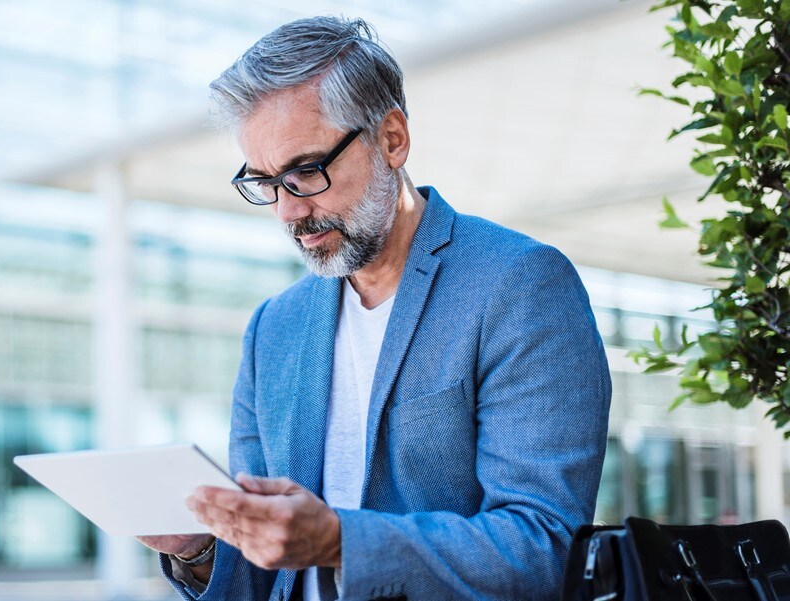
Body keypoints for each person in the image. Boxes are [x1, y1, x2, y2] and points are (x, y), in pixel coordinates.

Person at [138, 15, 612, 601]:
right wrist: (201, 548)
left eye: (305, 172)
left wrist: (340, 541)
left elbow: (546, 546)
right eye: (264, 183)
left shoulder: (518, 285)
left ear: (391, 139)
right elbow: (267, 576)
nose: (287, 212)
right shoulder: (273, 328)